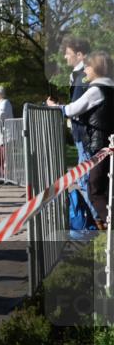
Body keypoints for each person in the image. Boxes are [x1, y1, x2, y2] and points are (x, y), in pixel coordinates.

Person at [48, 51, 113, 230]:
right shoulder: (110, 87)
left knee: (95, 190)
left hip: (100, 145)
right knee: (105, 187)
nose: (85, 70)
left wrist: (54, 107)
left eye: (88, 66)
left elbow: (72, 110)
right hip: (107, 143)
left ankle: (109, 226)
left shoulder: (96, 90)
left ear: (96, 68)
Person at [57, 37, 98, 229]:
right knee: (85, 179)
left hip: (85, 135)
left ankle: (98, 223)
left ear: (80, 55)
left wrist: (59, 108)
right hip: (83, 134)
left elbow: (77, 107)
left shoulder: (83, 76)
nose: (65, 57)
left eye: (68, 53)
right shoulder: (79, 76)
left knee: (85, 179)